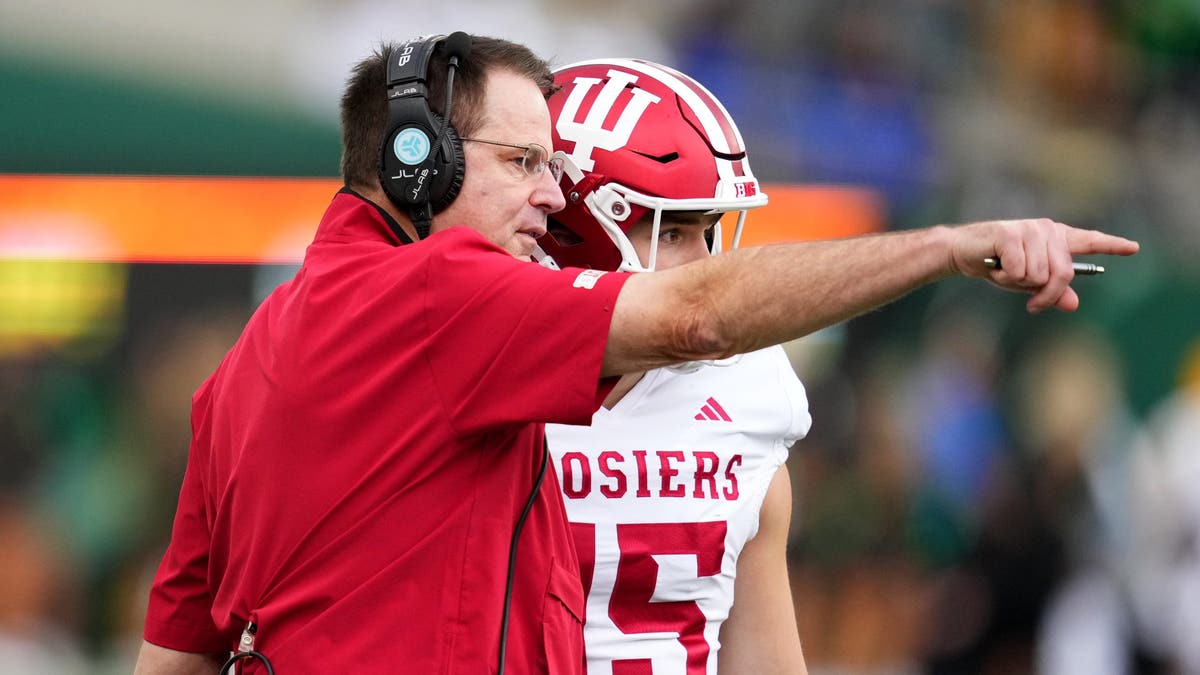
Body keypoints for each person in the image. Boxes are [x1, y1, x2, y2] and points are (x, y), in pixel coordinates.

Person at [133, 31, 1139, 675]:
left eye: (548, 166)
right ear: (420, 164)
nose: (543, 195)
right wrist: (949, 247)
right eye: (523, 166)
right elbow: (694, 315)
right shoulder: (443, 307)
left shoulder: (249, 367)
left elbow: (177, 640)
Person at [539, 58, 811, 674]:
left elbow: (767, 659)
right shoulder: (477, 369)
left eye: (709, 231)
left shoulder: (749, 388)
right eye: (673, 231)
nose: (705, 267)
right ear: (569, 226)